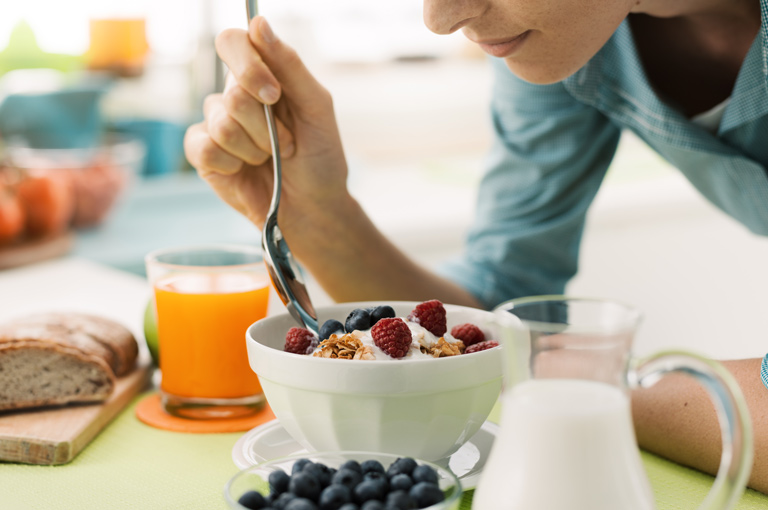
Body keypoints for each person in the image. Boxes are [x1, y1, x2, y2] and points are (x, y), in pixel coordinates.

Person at [184, 0, 768, 494]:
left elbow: (499, 353)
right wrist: (316, 214)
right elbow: (485, 319)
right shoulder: (568, 35)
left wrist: (561, 377)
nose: (439, 19)